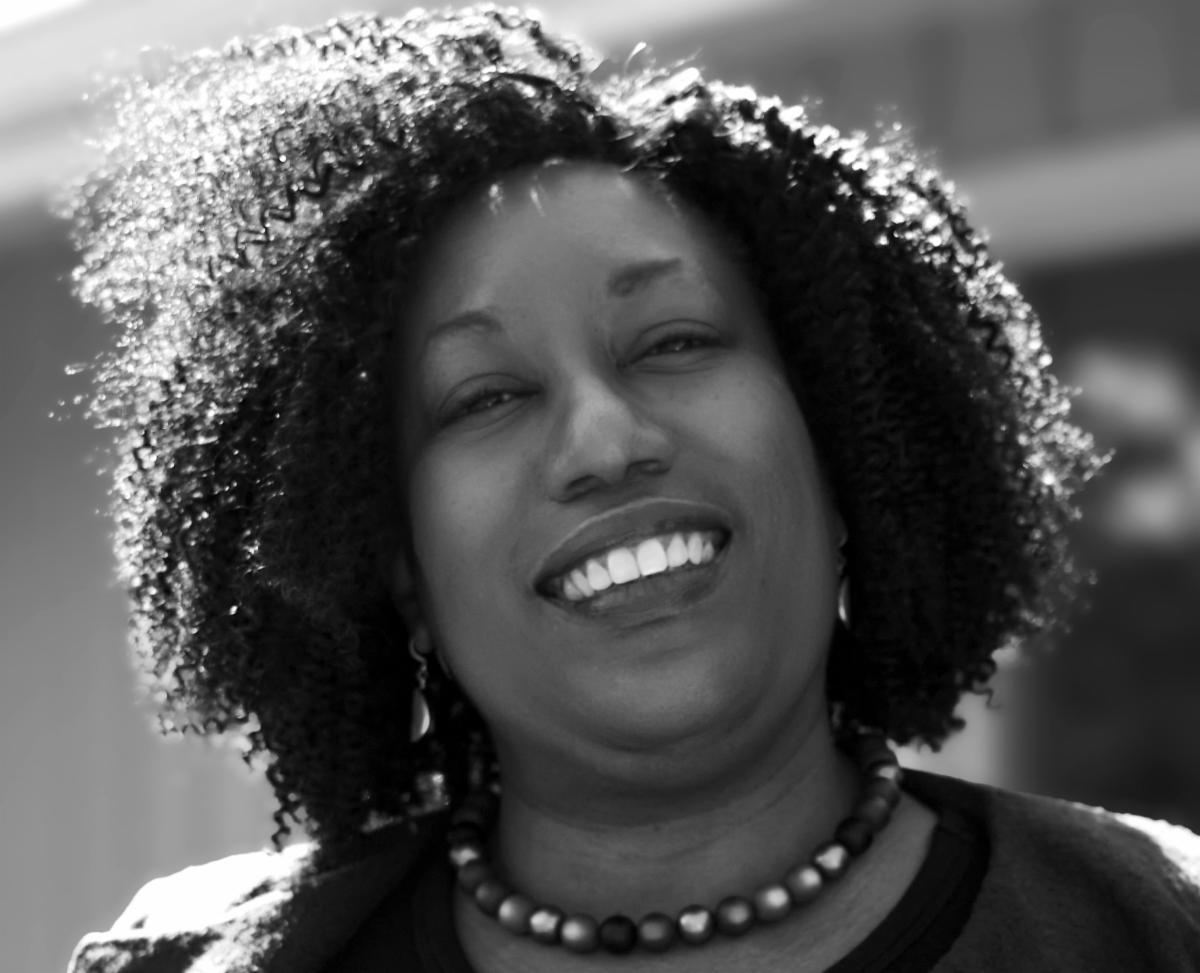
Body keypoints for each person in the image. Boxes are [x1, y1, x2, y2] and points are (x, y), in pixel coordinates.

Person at [63, 6, 1200, 972]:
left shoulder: (1153, 924)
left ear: (843, 444)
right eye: (485, 397)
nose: (605, 443)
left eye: (675, 341)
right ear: (396, 564)